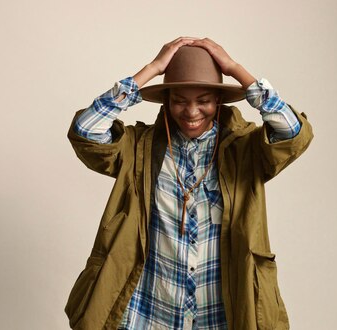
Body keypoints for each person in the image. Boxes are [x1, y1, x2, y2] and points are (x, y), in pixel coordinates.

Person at [65, 37, 313, 330]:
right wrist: (152, 69)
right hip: (148, 311)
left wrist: (235, 70)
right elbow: (86, 131)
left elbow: (292, 134)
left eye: (203, 101)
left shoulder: (246, 149)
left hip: (222, 313)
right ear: (168, 101)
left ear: (218, 101)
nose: (191, 112)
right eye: (180, 100)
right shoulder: (138, 147)